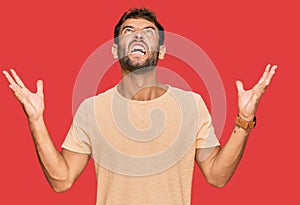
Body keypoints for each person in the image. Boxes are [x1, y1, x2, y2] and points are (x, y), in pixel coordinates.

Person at [3, 8, 277, 205]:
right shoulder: (92, 109)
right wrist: (36, 120)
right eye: (128, 32)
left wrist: (244, 118)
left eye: (148, 33)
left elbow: (218, 177)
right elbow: (61, 181)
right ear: (114, 49)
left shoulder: (191, 104)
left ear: (162, 50)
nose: (138, 37)